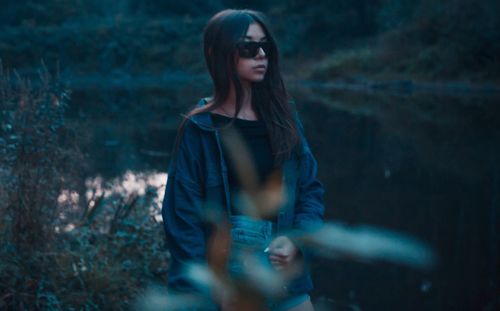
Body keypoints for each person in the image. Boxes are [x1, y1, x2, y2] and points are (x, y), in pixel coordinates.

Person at [161, 9, 325, 311]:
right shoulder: (199, 129)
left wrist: (296, 242)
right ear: (221, 53)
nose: (261, 54)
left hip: (283, 274)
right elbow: (181, 218)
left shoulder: (285, 119)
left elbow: (310, 190)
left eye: (266, 46)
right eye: (249, 47)